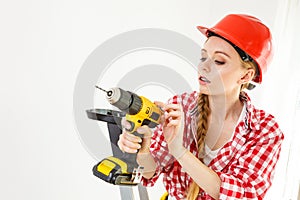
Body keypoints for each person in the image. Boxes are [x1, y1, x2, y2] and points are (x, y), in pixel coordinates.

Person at [118, 14, 284, 200]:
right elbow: (151, 171)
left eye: (219, 61)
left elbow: (243, 194)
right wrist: (143, 151)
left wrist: (180, 151)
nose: (203, 67)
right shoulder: (181, 107)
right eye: (203, 57)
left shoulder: (265, 130)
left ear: (245, 76)